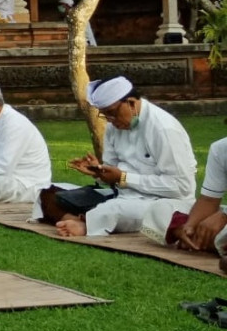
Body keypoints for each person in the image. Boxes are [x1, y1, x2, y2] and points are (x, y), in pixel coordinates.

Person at [53, 77, 196, 237]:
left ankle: (86, 223)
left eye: (112, 113)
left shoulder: (163, 129)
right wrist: (99, 172)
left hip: (162, 202)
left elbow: (181, 187)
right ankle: (85, 219)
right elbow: (113, 173)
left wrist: (124, 178)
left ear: (131, 103)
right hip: (123, 196)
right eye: (105, 115)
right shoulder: (113, 127)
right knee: (51, 194)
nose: (110, 120)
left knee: (113, 211)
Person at [148, 137, 227, 270]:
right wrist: (189, 226)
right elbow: (209, 200)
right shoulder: (220, 149)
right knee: (160, 208)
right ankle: (194, 237)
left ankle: (211, 240)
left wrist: (225, 215)